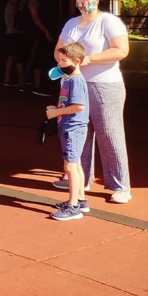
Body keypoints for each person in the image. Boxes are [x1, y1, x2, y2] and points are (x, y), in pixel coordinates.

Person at [54, 0, 132, 204]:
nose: (83, 1)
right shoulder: (71, 24)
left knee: (109, 133)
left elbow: (121, 50)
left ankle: (120, 185)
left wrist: (88, 59)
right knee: (78, 132)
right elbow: (58, 49)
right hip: (74, 83)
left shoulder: (108, 21)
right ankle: (80, 179)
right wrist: (66, 64)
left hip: (104, 84)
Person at [45, 42, 90, 221]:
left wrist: (57, 112)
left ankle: (73, 207)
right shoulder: (69, 79)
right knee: (75, 164)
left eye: (64, 61)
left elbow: (79, 106)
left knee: (70, 166)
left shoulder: (76, 80)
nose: (60, 64)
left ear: (76, 61)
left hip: (73, 127)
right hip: (69, 126)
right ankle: (80, 200)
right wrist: (57, 108)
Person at [23, 0, 56, 95]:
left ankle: (27, 83)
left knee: (31, 58)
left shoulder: (25, 0)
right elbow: (35, 17)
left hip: (28, 33)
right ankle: (37, 85)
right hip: (35, 34)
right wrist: (46, 31)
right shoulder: (33, 1)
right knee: (37, 58)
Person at [3, 0, 27, 88]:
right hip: (14, 35)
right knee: (16, 57)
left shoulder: (10, 6)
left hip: (11, 34)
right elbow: (14, 22)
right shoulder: (12, 7)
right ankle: (21, 80)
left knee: (11, 57)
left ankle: (8, 79)